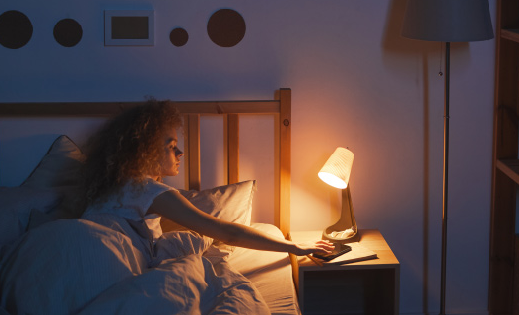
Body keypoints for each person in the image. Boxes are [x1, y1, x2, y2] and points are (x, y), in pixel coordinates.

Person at [81, 98, 335, 257]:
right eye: (171, 146)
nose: (180, 152)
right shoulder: (150, 191)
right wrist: (294, 247)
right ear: (144, 149)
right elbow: (226, 232)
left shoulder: (111, 186)